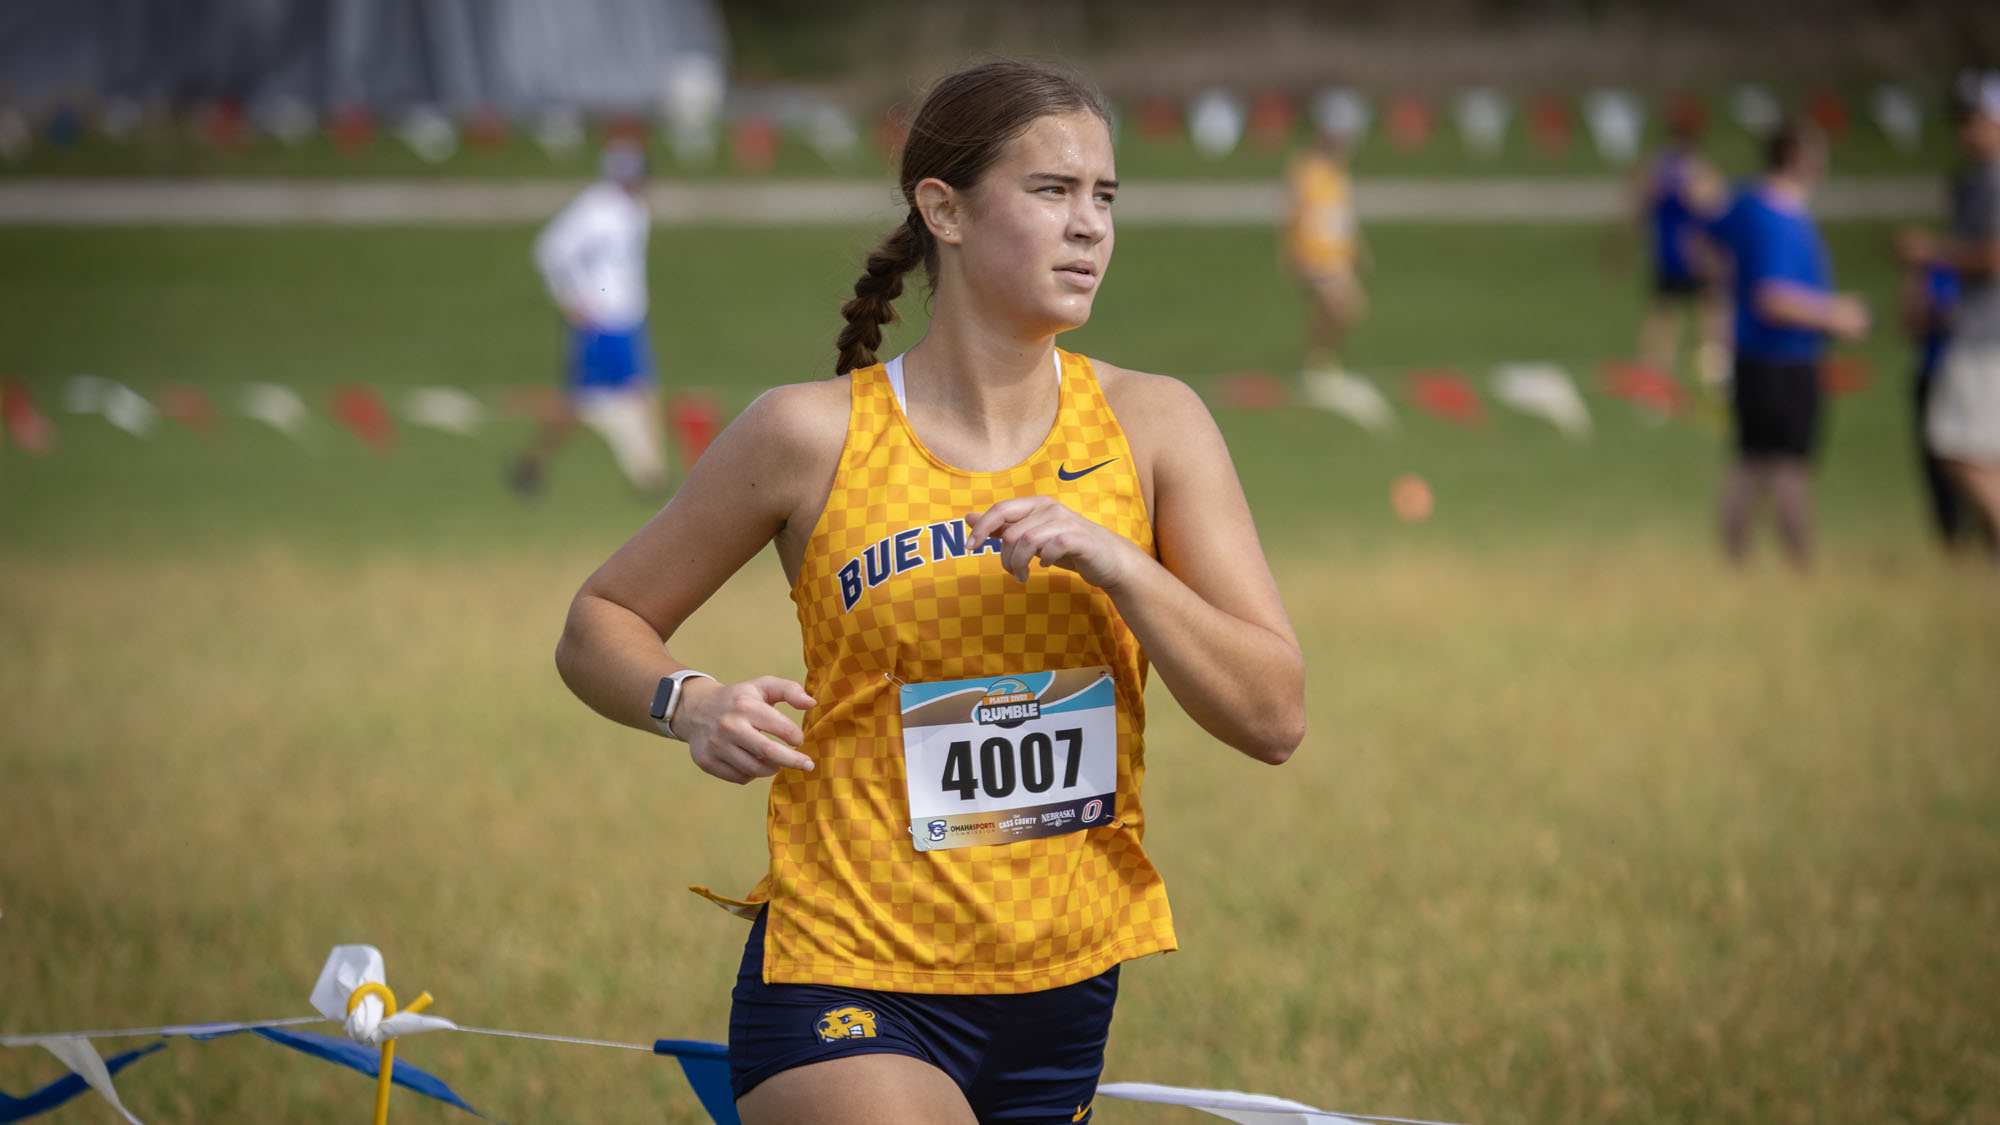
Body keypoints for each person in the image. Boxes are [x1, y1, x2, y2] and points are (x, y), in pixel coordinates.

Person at [553, 59, 1305, 1124]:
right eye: (1051, 191)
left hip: (1062, 982)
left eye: (1104, 196)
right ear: (941, 210)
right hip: (845, 973)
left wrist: (1123, 565)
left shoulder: (1154, 426)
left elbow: (1273, 716)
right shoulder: (807, 434)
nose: (1088, 225)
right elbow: (600, 623)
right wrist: (692, 703)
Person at [1705, 122, 1870, 572]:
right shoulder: (1777, 217)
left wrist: (1719, 303)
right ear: (1800, 157)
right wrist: (1836, 315)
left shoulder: (1745, 201)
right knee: (1788, 467)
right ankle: (1801, 571)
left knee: (1749, 460)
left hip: (1752, 353)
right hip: (1783, 355)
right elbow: (1772, 297)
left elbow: (1706, 240)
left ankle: (1734, 567)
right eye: (1819, 153)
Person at [510, 138, 668, 497]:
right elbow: (551, 251)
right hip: (602, 321)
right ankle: (532, 462)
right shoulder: (595, 209)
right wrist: (570, 298)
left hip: (626, 321)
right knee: (583, 401)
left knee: (637, 392)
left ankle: (651, 476)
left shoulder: (635, 210)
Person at [1905, 70, 2000, 565]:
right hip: (1975, 330)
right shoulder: (1972, 180)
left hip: (1989, 338)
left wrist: (1931, 252)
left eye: (1977, 118)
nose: (1966, 130)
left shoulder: (1995, 179)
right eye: (1961, 119)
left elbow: (1994, 256)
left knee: (1956, 445)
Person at [1632, 106, 1729, 393]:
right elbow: (1714, 208)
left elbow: (1641, 206)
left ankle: (1654, 375)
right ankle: (1714, 373)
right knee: (1710, 312)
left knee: (1664, 314)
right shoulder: (1698, 169)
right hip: (1694, 254)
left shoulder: (1656, 167)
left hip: (1665, 253)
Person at [1894, 227, 1968, 548]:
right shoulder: (1931, 275)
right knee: (1936, 464)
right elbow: (1911, 324)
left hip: (1972, 374)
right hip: (1934, 374)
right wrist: (1914, 274)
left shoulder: (1967, 269)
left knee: (1973, 459)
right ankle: (1951, 541)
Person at [1284, 123, 1368, 378]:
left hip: (1337, 257)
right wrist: (1295, 252)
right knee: (1343, 306)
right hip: (1316, 255)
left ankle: (1320, 359)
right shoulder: (1308, 173)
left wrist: (1359, 250)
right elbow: (1297, 214)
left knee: (1345, 309)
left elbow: (1343, 217)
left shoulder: (1337, 176)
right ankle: (1317, 361)